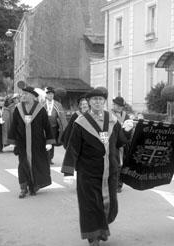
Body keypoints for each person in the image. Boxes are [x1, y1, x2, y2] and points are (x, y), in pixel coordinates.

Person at [61, 88, 133, 246]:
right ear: (89, 102)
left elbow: (119, 142)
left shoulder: (112, 119)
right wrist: (68, 172)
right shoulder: (81, 122)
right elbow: (73, 147)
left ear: (104, 102)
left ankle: (102, 227)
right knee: (91, 205)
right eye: (94, 100)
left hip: (111, 171)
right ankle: (94, 236)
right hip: (88, 172)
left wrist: (127, 131)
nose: (98, 102)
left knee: (110, 204)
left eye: (101, 100)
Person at [8, 86, 55, 198]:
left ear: (33, 96)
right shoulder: (18, 108)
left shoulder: (40, 109)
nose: (23, 96)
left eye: (25, 94)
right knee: (23, 164)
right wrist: (12, 141)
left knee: (36, 164)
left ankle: (33, 185)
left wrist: (49, 141)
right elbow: (14, 125)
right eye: (22, 94)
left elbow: (47, 126)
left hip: (37, 143)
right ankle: (23, 188)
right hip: (22, 142)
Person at [42, 87, 67, 165]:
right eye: (49, 94)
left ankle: (50, 158)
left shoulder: (57, 104)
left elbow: (62, 117)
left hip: (53, 127)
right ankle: (44, 157)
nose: (50, 95)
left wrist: (65, 128)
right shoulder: (42, 104)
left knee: (51, 143)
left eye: (52, 94)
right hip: (44, 127)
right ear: (46, 95)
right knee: (44, 142)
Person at [111, 96, 130, 193]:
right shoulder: (108, 115)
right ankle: (113, 184)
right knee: (114, 164)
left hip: (124, 144)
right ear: (113, 105)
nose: (119, 107)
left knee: (123, 165)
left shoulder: (126, 116)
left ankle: (119, 184)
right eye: (117, 105)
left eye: (120, 106)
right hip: (113, 144)